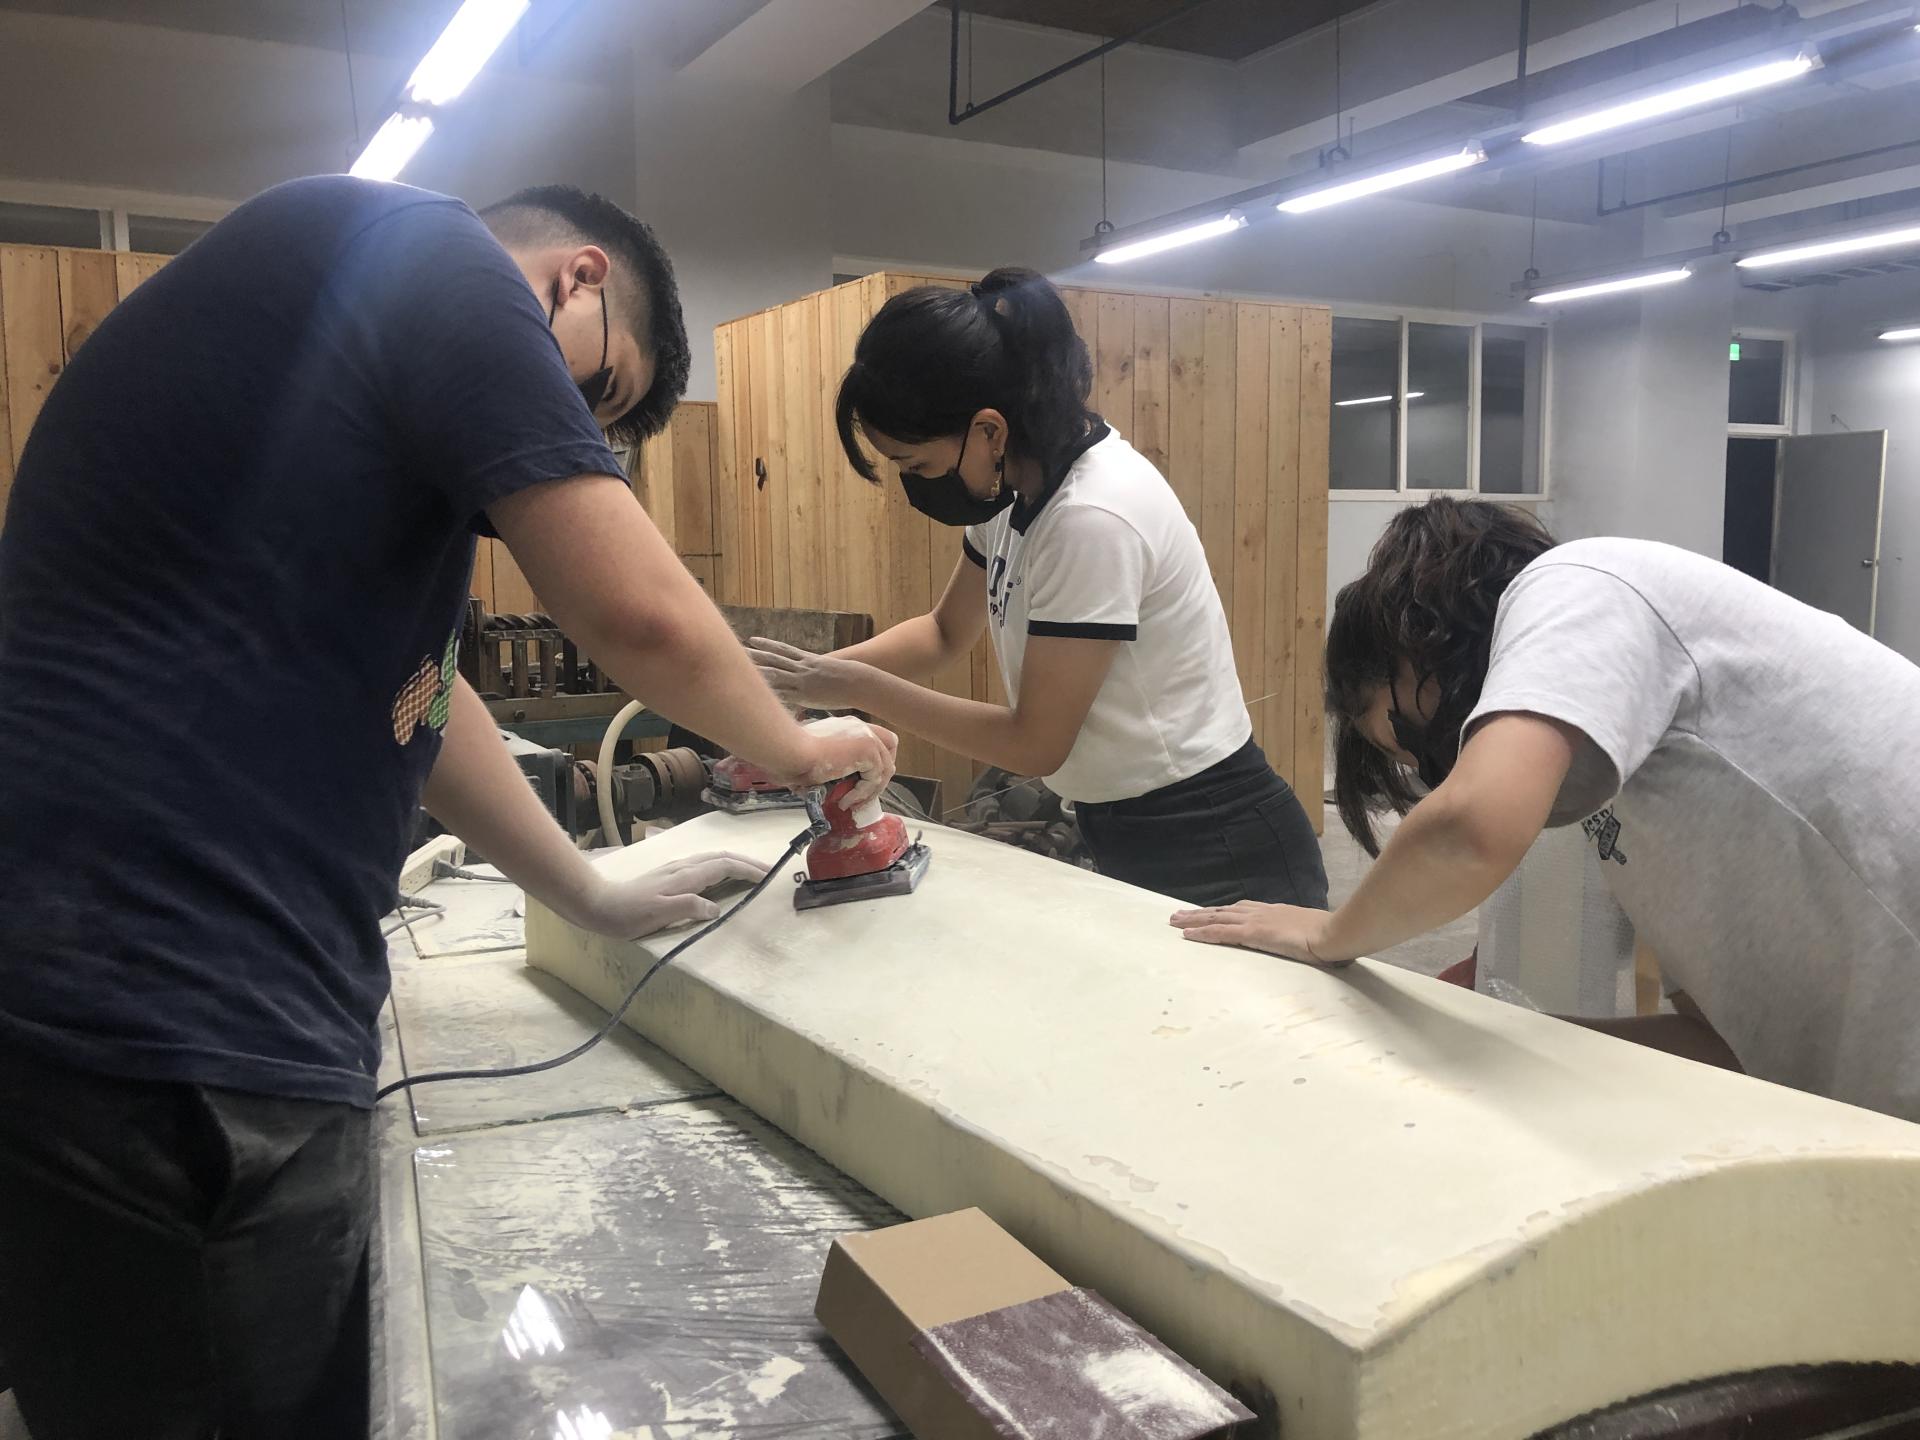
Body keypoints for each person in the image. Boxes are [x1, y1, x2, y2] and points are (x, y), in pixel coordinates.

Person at [0, 176, 894, 1438]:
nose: (583, 425)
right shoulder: (431, 255)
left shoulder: (333, 355)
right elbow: (632, 610)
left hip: (124, 1009)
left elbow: (419, 697)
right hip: (168, 1023)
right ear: (576, 282)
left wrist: (586, 890)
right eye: (604, 393)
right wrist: (798, 746)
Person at [1172, 497, 1920, 1122]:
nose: (1433, 765)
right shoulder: (1638, 812)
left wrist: (1331, 935)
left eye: (1407, 735)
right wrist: (1494, 1043)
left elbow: (1469, 830)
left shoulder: (1579, 582)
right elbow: (1724, 1047)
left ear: (1419, 633)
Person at [751, 268, 1326, 910]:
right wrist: (799, 680)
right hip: (1122, 823)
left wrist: (855, 689)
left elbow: (1035, 743)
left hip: (1214, 840)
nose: (917, 483)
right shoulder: (1012, 488)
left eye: (918, 465)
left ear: (989, 430)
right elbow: (944, 632)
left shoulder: (1092, 519)